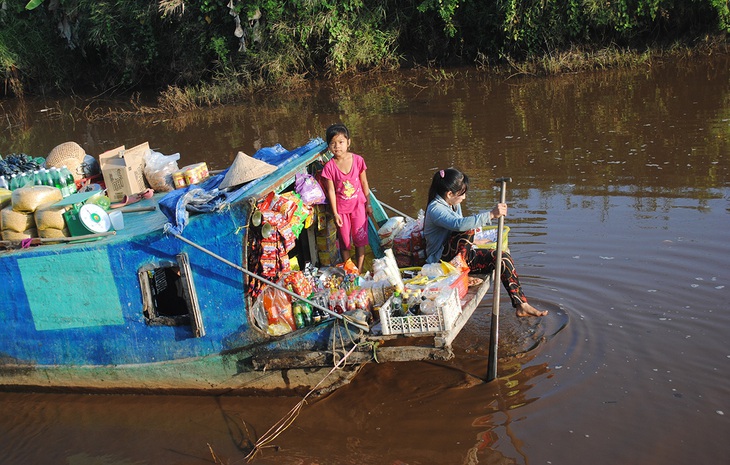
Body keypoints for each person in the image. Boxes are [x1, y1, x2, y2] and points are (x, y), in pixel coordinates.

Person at [423, 168, 547, 317]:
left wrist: (476, 240)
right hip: (442, 263)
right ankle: (460, 275)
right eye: (462, 194)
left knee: (501, 257)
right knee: (467, 229)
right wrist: (491, 215)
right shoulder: (435, 208)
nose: (464, 197)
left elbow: (459, 234)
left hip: (459, 257)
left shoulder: (453, 204)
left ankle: (521, 304)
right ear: (449, 194)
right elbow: (459, 225)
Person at [321, 123, 373, 272]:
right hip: (342, 211)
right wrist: (335, 213)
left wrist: (368, 204)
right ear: (329, 146)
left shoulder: (357, 160)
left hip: (358, 207)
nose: (337, 146)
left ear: (348, 142)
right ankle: (349, 271)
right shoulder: (329, 167)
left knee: (360, 240)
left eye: (341, 142)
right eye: (333, 143)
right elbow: (331, 191)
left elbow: (364, 182)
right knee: (344, 241)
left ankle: (360, 270)